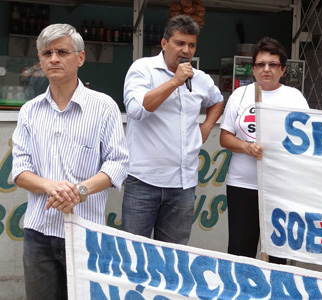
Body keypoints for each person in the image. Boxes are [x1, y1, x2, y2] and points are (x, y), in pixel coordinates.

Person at [11, 23, 129, 300]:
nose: (53, 59)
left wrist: (79, 191)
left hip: (86, 234)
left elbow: (118, 163)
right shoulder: (29, 111)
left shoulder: (104, 107)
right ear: (39, 59)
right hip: (38, 234)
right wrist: (52, 186)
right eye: (46, 53)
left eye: (62, 52)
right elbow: (20, 169)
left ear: (80, 57)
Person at [122, 15, 224, 245]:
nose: (186, 50)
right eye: (179, 43)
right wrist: (174, 82)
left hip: (183, 184)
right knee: (134, 257)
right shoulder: (143, 69)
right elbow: (138, 109)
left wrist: (206, 128)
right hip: (144, 182)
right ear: (164, 43)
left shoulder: (199, 78)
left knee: (172, 261)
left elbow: (217, 101)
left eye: (191, 45)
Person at [219, 37, 309, 262]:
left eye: (273, 64)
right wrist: (245, 147)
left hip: (280, 186)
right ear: (253, 68)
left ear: (283, 69)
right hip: (242, 184)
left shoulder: (294, 98)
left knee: (278, 253)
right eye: (260, 64)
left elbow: (307, 141)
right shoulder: (240, 95)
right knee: (241, 250)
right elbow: (225, 137)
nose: (266, 69)